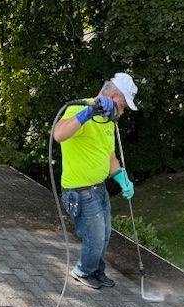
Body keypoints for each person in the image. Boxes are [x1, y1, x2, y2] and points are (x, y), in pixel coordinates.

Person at [54, 72, 138, 289]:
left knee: (104, 234)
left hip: (98, 189)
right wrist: (88, 113)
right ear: (111, 95)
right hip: (79, 191)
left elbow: (110, 156)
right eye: (122, 105)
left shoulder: (108, 122)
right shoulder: (79, 110)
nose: (123, 111)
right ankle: (83, 270)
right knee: (95, 236)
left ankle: (96, 271)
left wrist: (122, 178)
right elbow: (59, 134)